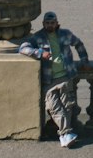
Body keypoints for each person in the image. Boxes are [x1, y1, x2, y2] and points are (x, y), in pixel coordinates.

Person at [18, 9, 88, 148]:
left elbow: (79, 44)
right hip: (49, 80)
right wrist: (39, 52)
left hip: (65, 76)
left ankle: (65, 135)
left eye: (52, 23)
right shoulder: (38, 37)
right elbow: (22, 48)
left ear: (57, 24)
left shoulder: (66, 34)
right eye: (47, 23)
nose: (50, 25)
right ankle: (66, 134)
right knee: (53, 107)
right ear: (43, 24)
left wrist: (84, 60)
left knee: (67, 106)